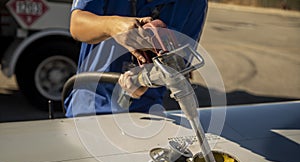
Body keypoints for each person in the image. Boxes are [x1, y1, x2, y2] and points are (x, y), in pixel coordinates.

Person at [64, 0, 208, 117]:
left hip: (146, 114)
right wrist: (113, 26)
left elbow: (178, 63)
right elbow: (77, 25)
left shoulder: (195, 4)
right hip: (88, 106)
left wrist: (146, 78)